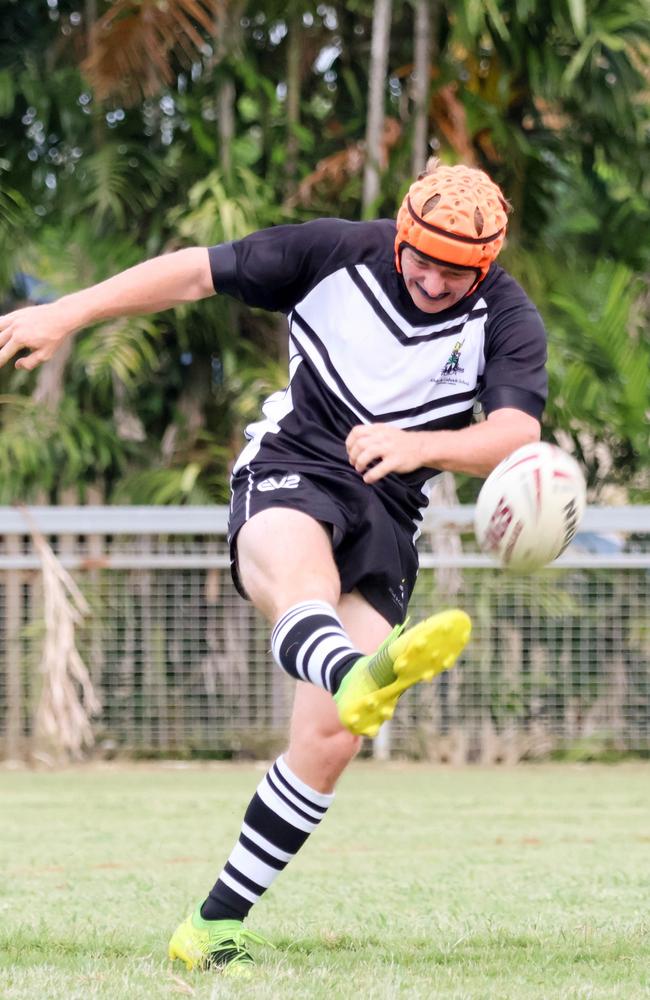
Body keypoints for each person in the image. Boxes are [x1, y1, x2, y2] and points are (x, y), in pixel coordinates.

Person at [0, 159, 547, 974]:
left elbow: (515, 433)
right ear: (401, 236)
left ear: (486, 264)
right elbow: (192, 273)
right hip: (295, 463)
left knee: (327, 737)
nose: (433, 279)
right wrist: (65, 312)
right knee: (304, 585)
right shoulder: (332, 251)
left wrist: (419, 446)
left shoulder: (507, 317)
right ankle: (353, 671)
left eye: (455, 270)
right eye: (421, 258)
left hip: (392, 509)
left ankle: (212, 925)